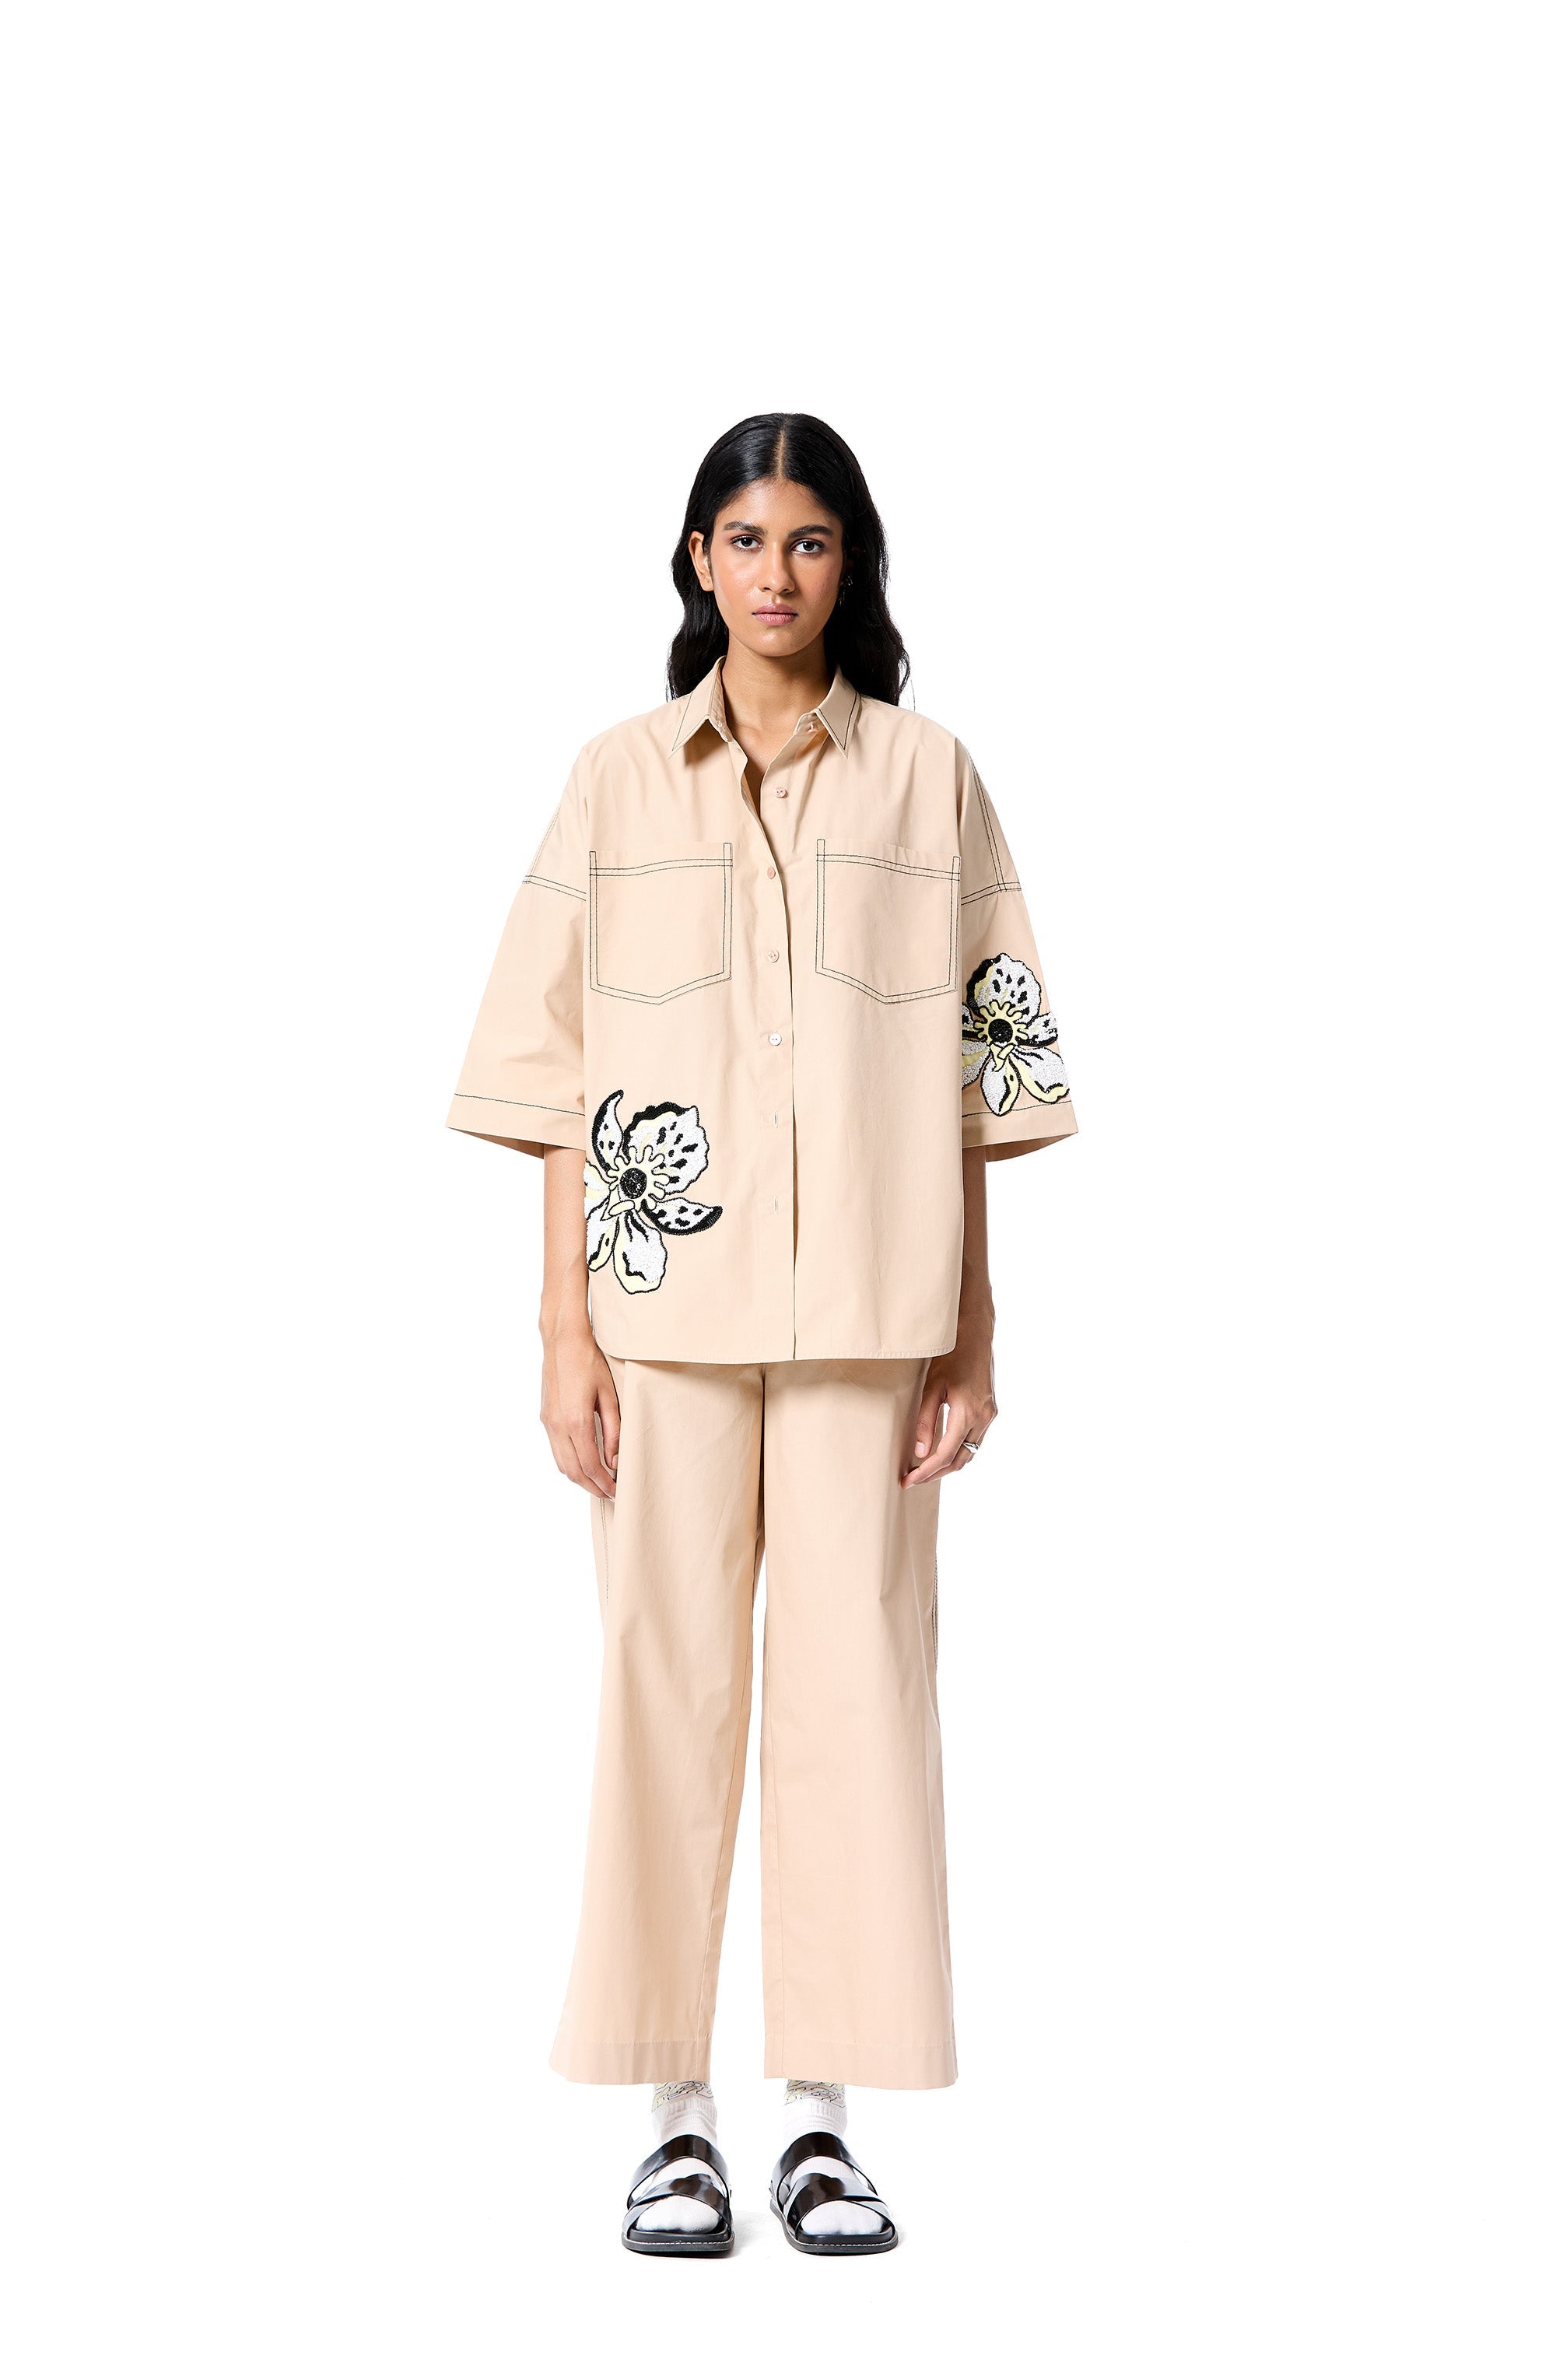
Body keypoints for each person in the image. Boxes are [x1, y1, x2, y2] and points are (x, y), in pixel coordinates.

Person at [447, 412, 1077, 2256]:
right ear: (696, 560)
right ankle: (671, 2121)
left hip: (875, 1314)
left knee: (857, 1691)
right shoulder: (615, 781)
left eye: (808, 540)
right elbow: (550, 1075)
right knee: (664, 1683)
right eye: (744, 538)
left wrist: (974, 1327)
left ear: (848, 560)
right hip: (660, 1317)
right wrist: (561, 1332)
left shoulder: (932, 780)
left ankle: (819, 2121)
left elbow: (981, 1075)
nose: (775, 572)